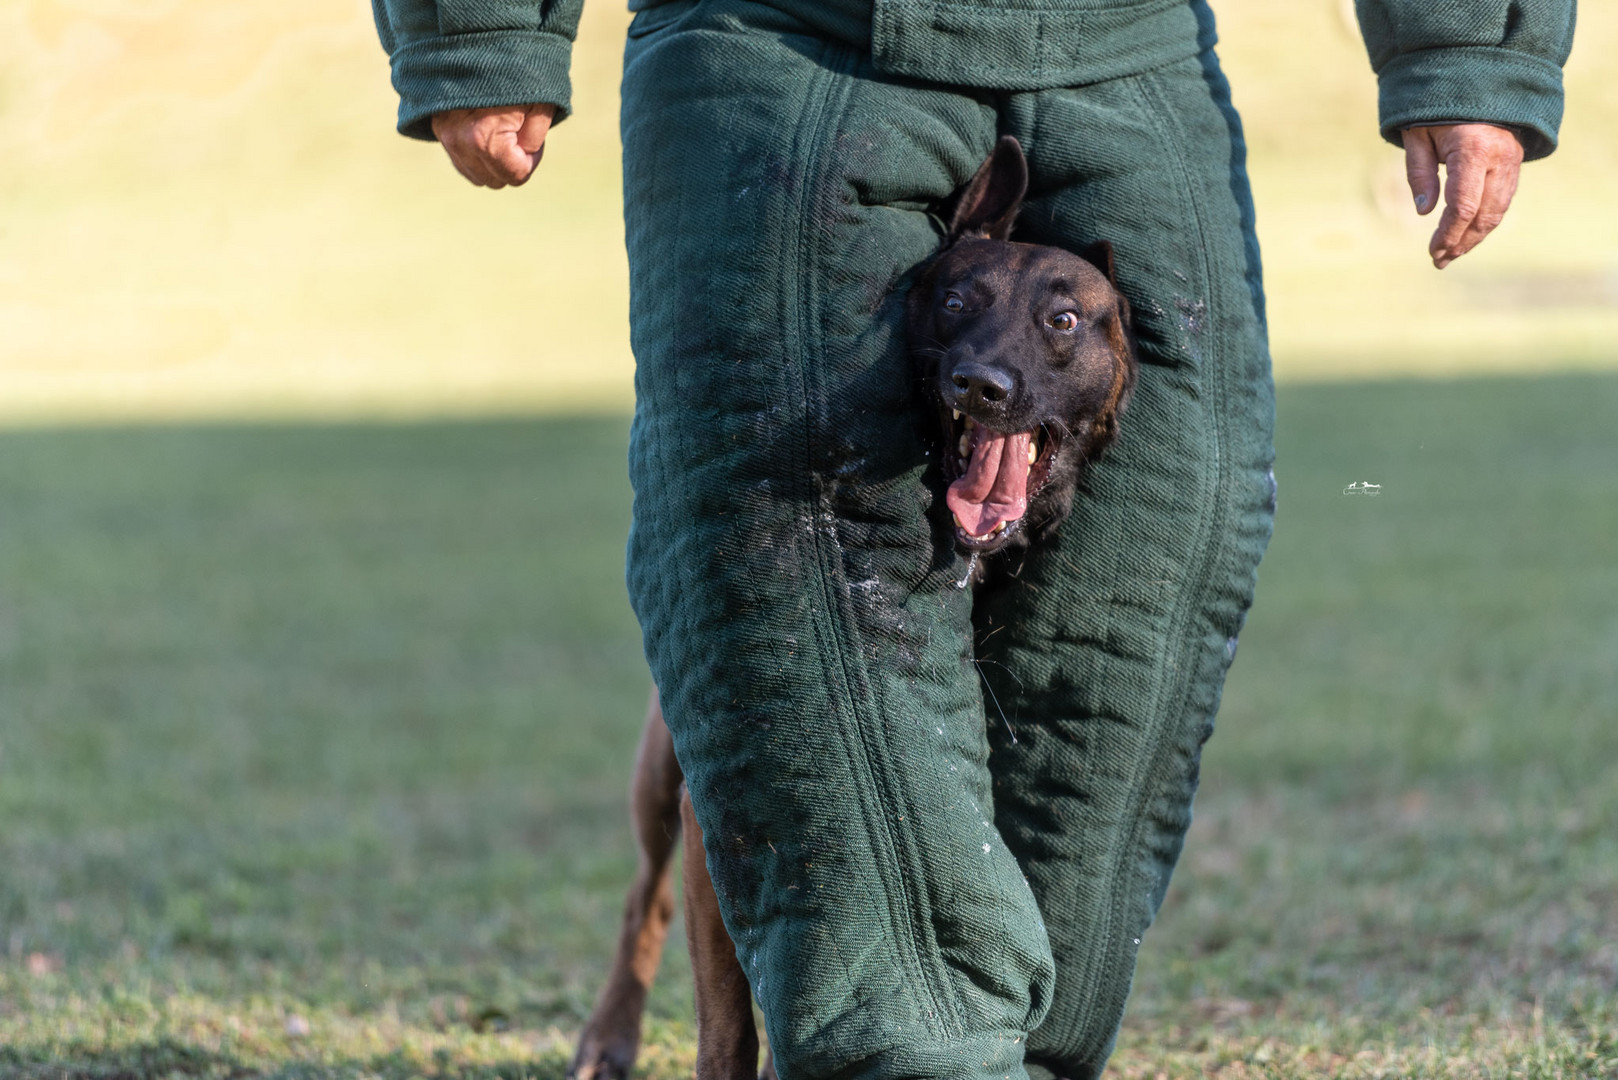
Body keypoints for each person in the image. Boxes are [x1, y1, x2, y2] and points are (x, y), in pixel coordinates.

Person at [370, 3, 1573, 1078]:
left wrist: (1469, 53)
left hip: (1129, 46)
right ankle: (912, 1047)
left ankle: (1033, 1041)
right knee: (795, 540)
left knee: (1166, 527)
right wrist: (480, 33)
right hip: (783, 38)